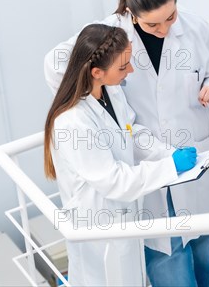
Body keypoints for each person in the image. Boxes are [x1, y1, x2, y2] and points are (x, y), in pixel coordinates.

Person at [45, 0, 209, 286]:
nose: (165, 29)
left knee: (202, 253)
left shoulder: (194, 29)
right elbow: (56, 61)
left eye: (171, 17)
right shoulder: (108, 41)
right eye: (153, 24)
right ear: (131, 14)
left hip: (180, 153)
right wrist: (84, 93)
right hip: (138, 183)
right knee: (166, 260)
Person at [44, 24, 198, 286]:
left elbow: (130, 132)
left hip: (122, 218)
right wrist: (168, 168)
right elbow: (114, 181)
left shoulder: (109, 91)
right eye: (123, 66)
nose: (131, 70)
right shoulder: (73, 122)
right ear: (97, 72)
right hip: (98, 226)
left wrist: (168, 153)